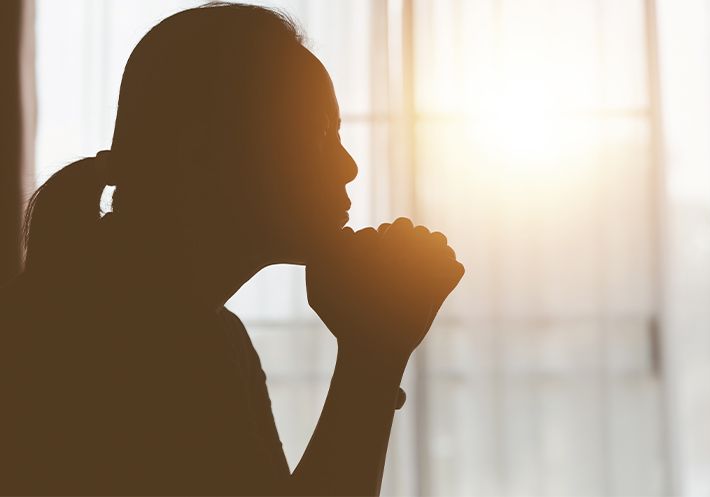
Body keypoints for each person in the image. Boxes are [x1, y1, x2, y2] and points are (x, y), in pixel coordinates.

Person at [0, 3, 463, 496]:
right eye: (320, 135)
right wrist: (374, 353)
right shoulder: (135, 339)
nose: (348, 167)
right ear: (203, 154)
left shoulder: (178, 320)